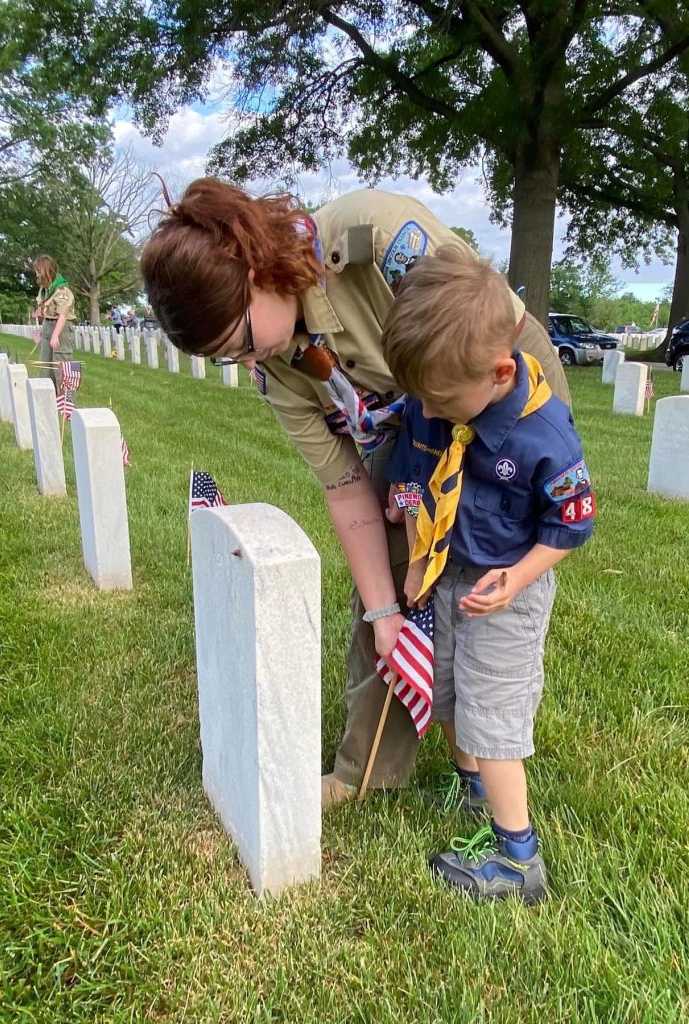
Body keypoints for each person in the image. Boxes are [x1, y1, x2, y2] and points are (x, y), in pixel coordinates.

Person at [140, 178, 572, 808]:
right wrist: (384, 613)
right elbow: (345, 490)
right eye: (227, 358)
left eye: (239, 339)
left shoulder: (380, 238)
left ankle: (492, 766)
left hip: (500, 394)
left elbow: (487, 336)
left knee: (484, 584)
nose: (246, 359)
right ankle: (365, 771)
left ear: (255, 269)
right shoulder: (276, 371)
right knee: (387, 600)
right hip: (406, 438)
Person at [382, 247, 595, 902]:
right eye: (422, 398)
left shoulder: (545, 434)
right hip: (447, 568)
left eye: (443, 401)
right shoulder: (434, 398)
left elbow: (573, 523)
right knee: (447, 688)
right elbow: (416, 472)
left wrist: (519, 578)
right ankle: (474, 787)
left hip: (509, 587)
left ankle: (518, 859)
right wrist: (411, 532)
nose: (432, 411)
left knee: (493, 709)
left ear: (500, 371)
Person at [33, 256, 76, 390]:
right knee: (45, 367)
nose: (36, 274)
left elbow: (63, 314)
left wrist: (55, 334)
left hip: (61, 329)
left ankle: (68, 406)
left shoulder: (61, 289)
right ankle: (48, 403)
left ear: (45, 271)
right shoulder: (45, 289)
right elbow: (45, 313)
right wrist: (42, 331)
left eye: (38, 271)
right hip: (48, 325)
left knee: (62, 369)